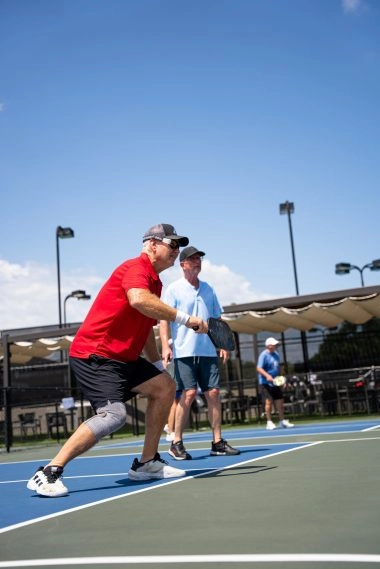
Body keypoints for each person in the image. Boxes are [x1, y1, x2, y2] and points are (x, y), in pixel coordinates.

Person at [27, 224, 209, 497]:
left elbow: (146, 325)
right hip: (95, 355)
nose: (176, 250)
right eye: (171, 245)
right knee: (114, 416)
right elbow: (138, 300)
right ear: (151, 245)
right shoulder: (135, 268)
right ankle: (48, 472)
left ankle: (146, 464)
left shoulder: (154, 282)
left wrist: (158, 366)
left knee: (165, 387)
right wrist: (186, 319)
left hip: (122, 357)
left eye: (178, 246)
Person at [160, 245, 240, 460]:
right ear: (182, 264)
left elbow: (217, 320)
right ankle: (176, 442)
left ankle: (217, 442)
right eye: (192, 259)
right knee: (188, 394)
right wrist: (166, 347)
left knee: (213, 393)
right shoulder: (173, 289)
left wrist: (222, 343)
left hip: (207, 352)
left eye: (199, 259)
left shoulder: (208, 289)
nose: (197, 261)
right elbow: (164, 320)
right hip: (184, 352)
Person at [256, 337, 294, 430]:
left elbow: (278, 369)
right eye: (274, 344)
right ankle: (269, 422)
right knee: (268, 402)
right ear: (268, 346)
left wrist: (281, 380)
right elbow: (259, 368)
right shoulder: (263, 355)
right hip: (265, 383)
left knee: (280, 402)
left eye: (276, 344)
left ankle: (282, 421)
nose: (276, 346)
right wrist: (267, 376)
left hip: (275, 382)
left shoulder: (276, 354)